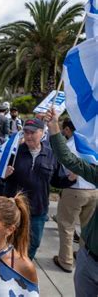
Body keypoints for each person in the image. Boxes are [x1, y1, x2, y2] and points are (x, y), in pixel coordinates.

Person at [4, 118, 75, 259]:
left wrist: (69, 180)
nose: (28, 136)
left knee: (33, 243)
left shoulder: (51, 154)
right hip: (15, 209)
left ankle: (24, 266)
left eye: (33, 132)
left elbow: (56, 181)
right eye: (26, 132)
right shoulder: (14, 152)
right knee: (11, 242)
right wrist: (3, 175)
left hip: (38, 210)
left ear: (42, 133)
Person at [45, 108, 98, 296]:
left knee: (67, 226)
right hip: (88, 260)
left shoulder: (78, 141)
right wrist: (54, 128)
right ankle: (77, 255)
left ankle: (66, 260)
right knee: (81, 227)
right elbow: (71, 160)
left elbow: (70, 160)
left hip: (76, 192)